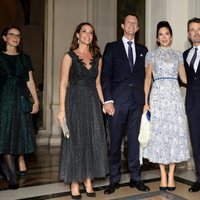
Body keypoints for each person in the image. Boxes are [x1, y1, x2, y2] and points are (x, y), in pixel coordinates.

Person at [57, 22, 108, 199]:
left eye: (91, 32)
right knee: (76, 142)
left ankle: (88, 180)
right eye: (84, 31)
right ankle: (74, 182)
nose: (87, 34)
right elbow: (63, 84)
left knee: (92, 140)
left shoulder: (98, 58)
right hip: (75, 103)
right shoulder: (69, 57)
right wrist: (61, 110)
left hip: (93, 104)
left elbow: (97, 84)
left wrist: (105, 103)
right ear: (77, 35)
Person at [101, 14, 150, 194]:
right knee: (115, 142)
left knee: (135, 143)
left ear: (138, 28)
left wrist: (146, 101)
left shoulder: (144, 49)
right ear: (123, 25)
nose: (131, 25)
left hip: (136, 103)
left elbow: (146, 78)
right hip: (116, 104)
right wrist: (108, 100)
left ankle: (135, 178)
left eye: (135, 23)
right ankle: (114, 179)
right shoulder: (112, 48)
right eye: (128, 22)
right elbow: (105, 75)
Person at [143, 21, 190, 191]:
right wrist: (146, 102)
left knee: (174, 134)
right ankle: (163, 174)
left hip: (174, 98)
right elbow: (148, 79)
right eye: (161, 34)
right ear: (157, 37)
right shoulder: (151, 55)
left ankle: (171, 174)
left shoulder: (178, 55)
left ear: (171, 37)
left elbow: (185, 79)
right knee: (160, 135)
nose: (164, 37)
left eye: (167, 34)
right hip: (158, 97)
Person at [0, 26, 39, 188]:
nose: (15, 38)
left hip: (21, 99)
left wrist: (36, 101)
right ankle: (12, 175)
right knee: (6, 134)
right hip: (3, 100)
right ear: (4, 38)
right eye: (12, 35)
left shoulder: (24, 58)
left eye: (18, 35)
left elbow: (29, 80)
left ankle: (12, 166)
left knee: (20, 133)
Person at [183, 17, 200, 192]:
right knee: (196, 143)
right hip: (192, 105)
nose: (196, 32)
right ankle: (199, 178)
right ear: (188, 34)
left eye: (198, 29)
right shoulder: (185, 55)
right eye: (192, 29)